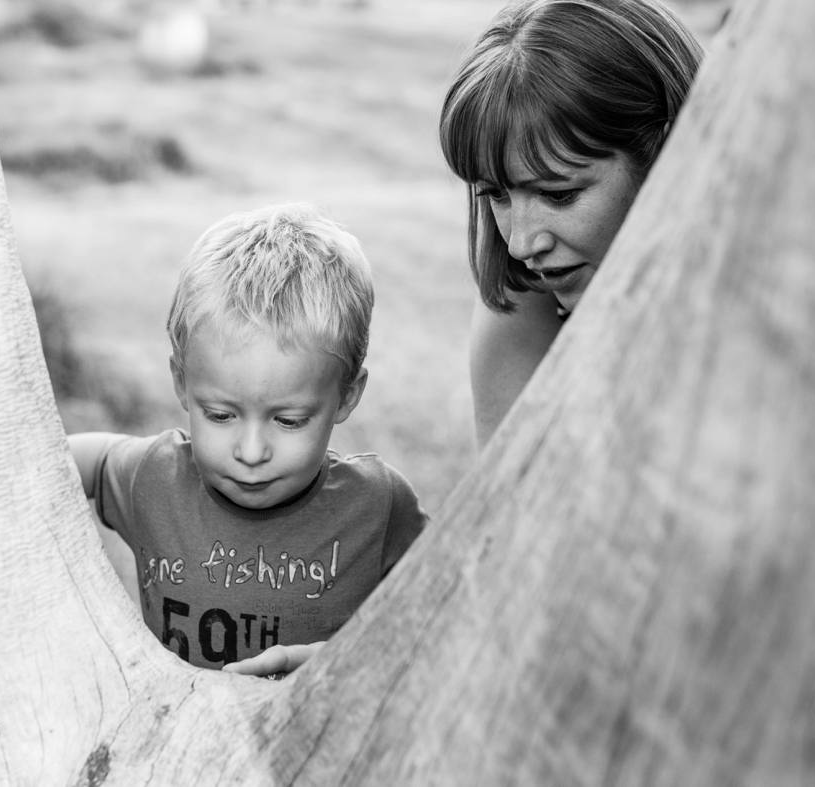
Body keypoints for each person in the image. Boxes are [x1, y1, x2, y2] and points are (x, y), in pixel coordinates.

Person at [69, 202, 428, 677]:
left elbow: (450, 611)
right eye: (220, 415)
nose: (251, 452)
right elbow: (79, 463)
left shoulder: (379, 506)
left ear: (346, 395)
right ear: (181, 382)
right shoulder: (152, 479)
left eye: (288, 420)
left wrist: (353, 664)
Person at [439, 0, 704, 447]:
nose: (522, 244)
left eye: (558, 194)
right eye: (496, 195)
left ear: (665, 157)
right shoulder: (523, 302)